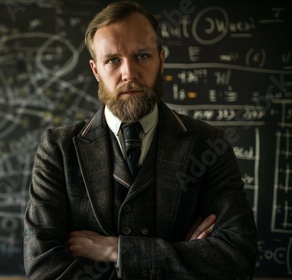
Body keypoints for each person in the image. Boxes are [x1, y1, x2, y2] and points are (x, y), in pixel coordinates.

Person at [23, 1, 257, 279]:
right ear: (96, 70)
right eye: (112, 60)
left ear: (161, 59)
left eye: (142, 56)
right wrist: (180, 255)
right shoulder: (58, 150)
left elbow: (237, 257)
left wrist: (117, 250)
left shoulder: (209, 144)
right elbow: (43, 268)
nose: (129, 73)